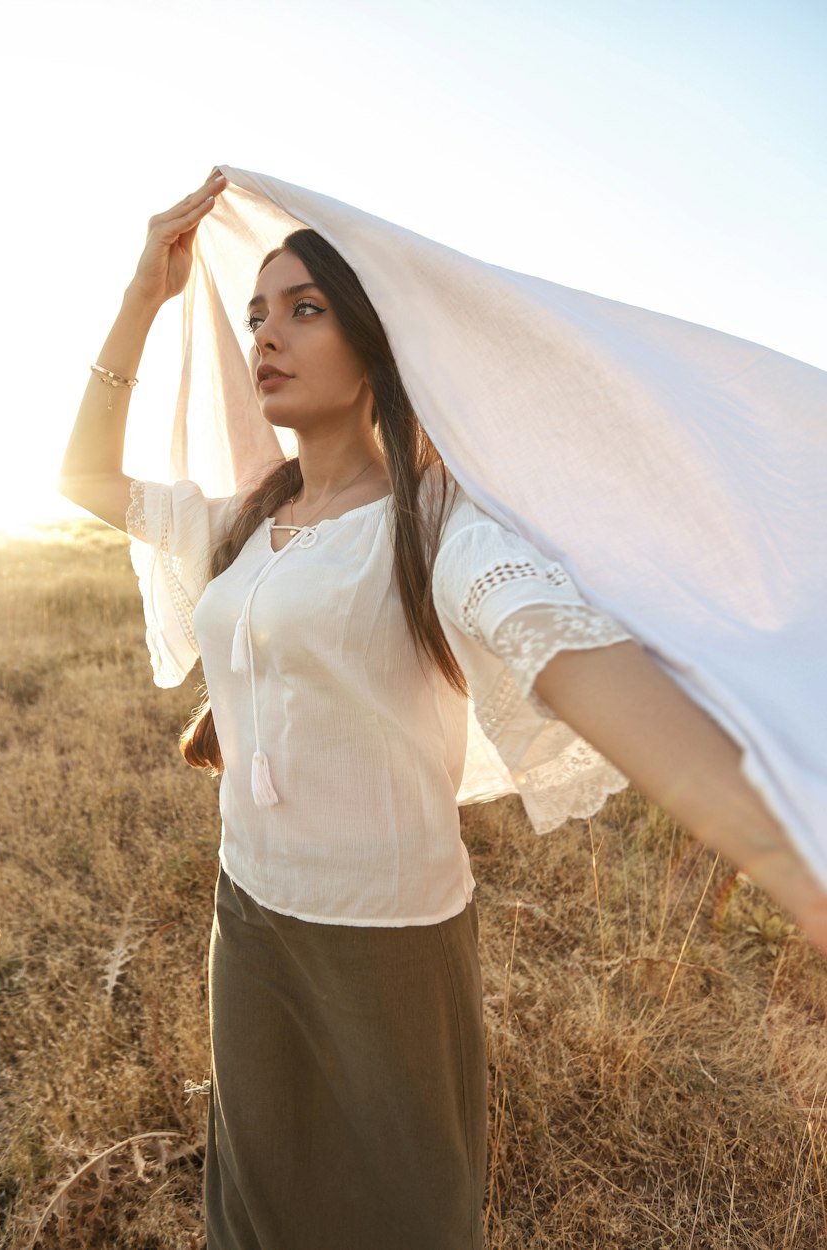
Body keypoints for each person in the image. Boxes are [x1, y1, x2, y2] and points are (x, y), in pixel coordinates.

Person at [59, 172, 827, 1250]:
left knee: (405, 1214)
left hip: (389, 938)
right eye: (255, 313)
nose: (266, 336)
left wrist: (791, 860)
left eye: (305, 309)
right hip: (252, 913)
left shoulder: (437, 526)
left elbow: (567, 661)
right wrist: (145, 291)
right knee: (256, 1204)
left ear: (377, 344)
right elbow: (83, 474)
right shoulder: (243, 514)